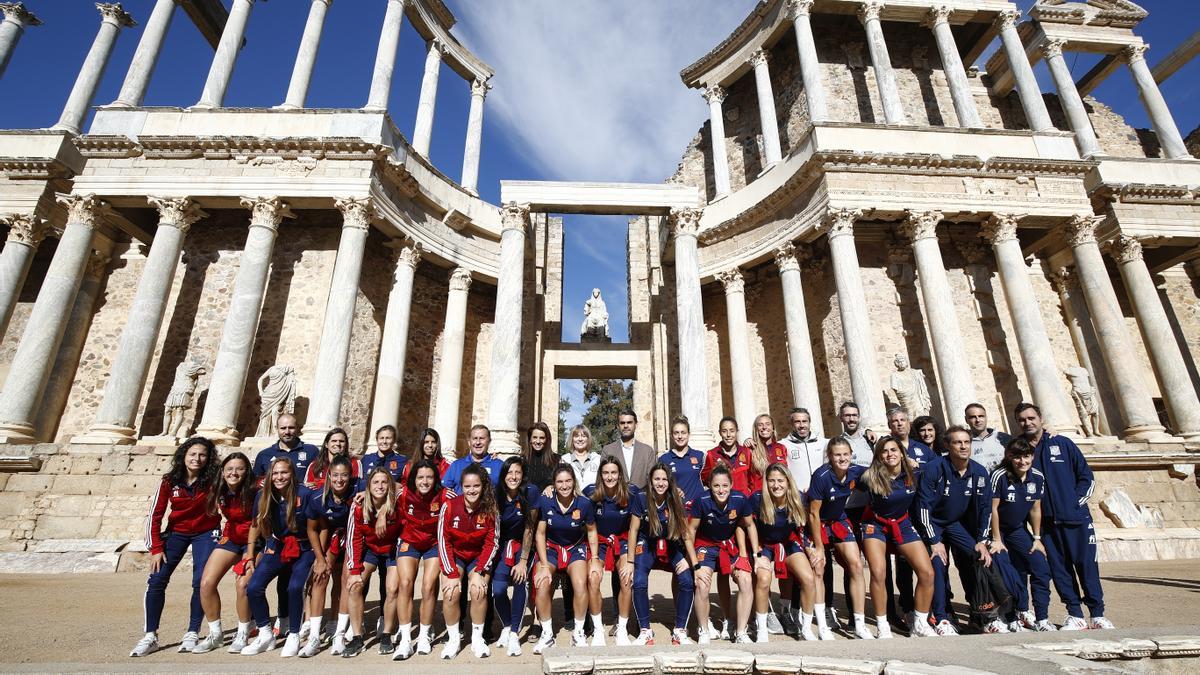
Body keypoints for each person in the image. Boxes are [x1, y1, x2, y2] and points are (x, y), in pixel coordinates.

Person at [1015, 402, 1112, 630]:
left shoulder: (1063, 443)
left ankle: (1097, 614)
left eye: (1031, 418)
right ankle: (1075, 614)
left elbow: (1085, 477)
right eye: (1022, 420)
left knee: (1087, 566)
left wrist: (1074, 503)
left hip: (1076, 518)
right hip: (1046, 522)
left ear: (1040, 418)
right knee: (1060, 570)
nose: (1027, 423)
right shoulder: (1020, 451)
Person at [130, 437, 222, 657]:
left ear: (208, 458)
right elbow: (155, 514)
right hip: (176, 532)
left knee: (201, 581)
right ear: (184, 456)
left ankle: (192, 632)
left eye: (202, 455)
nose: (197, 459)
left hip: (206, 532)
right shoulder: (169, 481)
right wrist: (156, 548)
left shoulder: (214, 479)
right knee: (157, 579)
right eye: (192, 454)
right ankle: (150, 635)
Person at [916, 425, 997, 636]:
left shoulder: (979, 472)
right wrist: (934, 540)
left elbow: (986, 508)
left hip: (955, 524)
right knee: (938, 563)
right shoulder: (934, 468)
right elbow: (923, 507)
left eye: (966, 442)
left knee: (979, 556)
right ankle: (942, 618)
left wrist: (981, 540)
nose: (963, 446)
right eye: (957, 442)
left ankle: (982, 614)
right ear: (947, 446)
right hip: (933, 524)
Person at [859, 436, 938, 638]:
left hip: (902, 524)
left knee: (927, 573)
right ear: (878, 456)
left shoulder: (915, 473)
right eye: (884, 451)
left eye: (894, 450)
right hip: (875, 525)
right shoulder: (870, 476)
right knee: (878, 572)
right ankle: (882, 623)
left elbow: (939, 465)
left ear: (902, 453)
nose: (890, 454)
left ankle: (919, 623)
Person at [241, 457, 316, 656]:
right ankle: (266, 634)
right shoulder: (263, 496)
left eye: (284, 472)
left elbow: (317, 527)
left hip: (304, 548)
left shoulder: (305, 494)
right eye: (275, 473)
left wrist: (320, 556)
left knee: (295, 587)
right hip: (277, 546)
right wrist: (250, 555)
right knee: (254, 586)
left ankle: (294, 634)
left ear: (292, 474)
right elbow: (256, 525)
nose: (279, 477)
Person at [989, 438, 1056, 632]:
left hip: (1018, 529)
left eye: (1026, 456)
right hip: (998, 530)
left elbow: (1035, 508)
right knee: (1008, 573)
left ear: (1032, 457)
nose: (1022, 461)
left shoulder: (1037, 477)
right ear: (1009, 457)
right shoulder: (999, 475)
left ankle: (1042, 618)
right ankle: (1016, 613)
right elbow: (992, 510)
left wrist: (1036, 539)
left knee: (1040, 566)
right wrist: (996, 539)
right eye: (1017, 457)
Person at [532, 464, 599, 654]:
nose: (564, 485)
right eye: (560, 482)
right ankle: (547, 634)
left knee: (580, 583)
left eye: (568, 481)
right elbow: (540, 534)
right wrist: (544, 565)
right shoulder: (546, 501)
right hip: (551, 548)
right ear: (553, 484)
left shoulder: (584, 503)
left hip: (574, 548)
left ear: (574, 482)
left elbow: (592, 532)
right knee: (542, 583)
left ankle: (578, 632)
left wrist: (594, 558)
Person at [193, 451, 255, 654]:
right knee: (206, 583)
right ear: (223, 471)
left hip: (255, 540)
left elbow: (259, 522)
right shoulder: (218, 489)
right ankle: (215, 633)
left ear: (247, 471)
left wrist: (250, 552)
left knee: (242, 584)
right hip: (232, 537)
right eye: (229, 469)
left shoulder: (255, 491)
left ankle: (244, 631)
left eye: (239, 469)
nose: (234, 473)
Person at [805, 437, 867, 640]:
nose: (842, 458)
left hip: (838, 520)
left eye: (845, 454)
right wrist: (820, 547)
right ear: (830, 457)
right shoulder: (821, 476)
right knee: (819, 567)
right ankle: (822, 624)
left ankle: (859, 623)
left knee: (856, 565)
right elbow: (813, 513)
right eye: (837, 455)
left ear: (851, 455)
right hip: (817, 522)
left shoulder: (856, 471)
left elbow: (881, 471)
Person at [437, 464, 500, 659]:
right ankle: (454, 639)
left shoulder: (491, 508)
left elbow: (493, 542)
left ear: (483, 486)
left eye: (476, 486)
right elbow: (443, 539)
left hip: (477, 556)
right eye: (467, 486)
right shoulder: (449, 506)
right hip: (455, 555)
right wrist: (451, 574)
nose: (472, 490)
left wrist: (480, 571)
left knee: (478, 590)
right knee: (451, 591)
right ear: (461, 487)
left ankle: (478, 638)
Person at [629, 462, 695, 646]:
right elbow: (633, 530)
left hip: (671, 542)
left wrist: (692, 562)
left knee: (687, 580)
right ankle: (645, 631)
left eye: (664, 479)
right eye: (657, 478)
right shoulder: (641, 497)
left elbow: (686, 533)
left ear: (670, 481)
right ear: (650, 480)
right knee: (639, 580)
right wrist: (629, 561)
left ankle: (680, 630)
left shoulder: (676, 498)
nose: (660, 483)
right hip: (647, 541)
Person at [751, 463, 818, 642]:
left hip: (788, 542)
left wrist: (810, 546)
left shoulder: (798, 498)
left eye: (780, 480)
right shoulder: (757, 499)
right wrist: (755, 553)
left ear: (788, 482)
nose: (776, 485)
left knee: (808, 578)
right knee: (764, 580)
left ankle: (804, 626)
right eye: (771, 481)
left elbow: (805, 525)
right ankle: (762, 628)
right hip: (764, 544)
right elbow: (747, 526)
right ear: (766, 483)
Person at [690, 464, 756, 644]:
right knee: (702, 583)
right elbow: (691, 532)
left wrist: (755, 556)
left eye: (725, 485)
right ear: (709, 485)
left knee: (745, 579)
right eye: (716, 486)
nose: (721, 490)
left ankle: (741, 631)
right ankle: (703, 629)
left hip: (729, 545)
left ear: (731, 484)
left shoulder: (739, 499)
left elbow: (749, 525)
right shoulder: (701, 501)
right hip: (706, 545)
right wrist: (695, 564)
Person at [344, 466, 404, 658]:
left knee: (392, 588)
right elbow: (353, 538)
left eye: (384, 482)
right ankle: (357, 637)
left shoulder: (398, 501)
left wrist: (385, 514)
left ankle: (386, 633)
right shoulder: (359, 505)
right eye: (375, 482)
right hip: (370, 549)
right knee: (354, 585)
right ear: (368, 485)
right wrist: (354, 570)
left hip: (392, 549)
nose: (380, 486)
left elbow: (410, 489)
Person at [299, 455, 355, 657]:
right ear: (329, 475)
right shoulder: (318, 499)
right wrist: (320, 559)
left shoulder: (358, 489)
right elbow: (312, 529)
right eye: (336, 475)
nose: (340, 480)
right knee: (319, 577)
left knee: (345, 580)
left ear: (351, 476)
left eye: (345, 475)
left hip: (353, 538)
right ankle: (314, 635)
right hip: (329, 536)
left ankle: (338, 632)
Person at [394, 458, 450, 658]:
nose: (424, 481)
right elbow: (378, 492)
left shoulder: (444, 495)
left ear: (435, 479)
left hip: (433, 544)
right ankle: (406, 640)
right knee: (405, 583)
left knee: (428, 586)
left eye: (429, 477)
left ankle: (425, 635)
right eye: (420, 477)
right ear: (413, 479)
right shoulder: (403, 494)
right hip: (410, 541)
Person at [584, 456, 637, 646]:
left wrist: (677, 490)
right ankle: (598, 630)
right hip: (598, 541)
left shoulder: (631, 493)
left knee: (626, 578)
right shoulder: (590, 492)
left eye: (614, 472)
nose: (610, 477)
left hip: (621, 540)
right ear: (600, 475)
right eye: (605, 473)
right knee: (593, 578)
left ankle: (622, 628)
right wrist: (549, 488)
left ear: (620, 474)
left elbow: (654, 493)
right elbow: (568, 494)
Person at [492, 457, 541, 656]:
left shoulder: (531, 492)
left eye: (517, 473)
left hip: (523, 545)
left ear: (523, 475)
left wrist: (522, 561)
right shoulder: (497, 494)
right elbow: (493, 527)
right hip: (503, 545)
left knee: (521, 581)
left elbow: (530, 528)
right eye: (509, 472)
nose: (513, 477)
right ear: (504, 475)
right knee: (499, 589)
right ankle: (507, 624)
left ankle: (514, 634)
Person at [601, 409, 656, 489]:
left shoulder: (647, 451)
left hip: (642, 499)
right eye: (622, 423)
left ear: (636, 425)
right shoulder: (608, 450)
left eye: (629, 422)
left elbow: (652, 478)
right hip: (616, 498)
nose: (626, 426)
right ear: (618, 426)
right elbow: (603, 476)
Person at [659, 416, 706, 506]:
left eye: (683, 433)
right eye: (676, 433)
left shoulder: (700, 456)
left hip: (698, 510)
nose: (680, 436)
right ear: (671, 435)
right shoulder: (664, 459)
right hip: (675, 508)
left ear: (689, 434)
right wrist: (672, 490)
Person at [252, 413, 317, 479]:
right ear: (276, 428)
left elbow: (321, 477)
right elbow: (255, 481)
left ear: (297, 428)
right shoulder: (264, 454)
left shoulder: (311, 451)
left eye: (291, 428)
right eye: (283, 428)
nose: (287, 432)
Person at [444, 424, 504, 493]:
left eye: (482, 438)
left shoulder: (499, 465)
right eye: (475, 438)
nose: (478, 442)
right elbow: (445, 490)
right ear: (469, 442)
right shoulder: (456, 465)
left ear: (489, 441)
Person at [780, 407, 826, 495]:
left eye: (804, 421)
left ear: (809, 422)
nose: (801, 425)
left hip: (822, 495)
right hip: (798, 496)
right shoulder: (783, 445)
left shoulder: (824, 443)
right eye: (797, 422)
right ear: (791, 424)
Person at [702, 416, 753, 495]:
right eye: (724, 431)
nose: (728, 435)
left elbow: (752, 480)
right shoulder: (711, 455)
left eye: (732, 431)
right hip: (722, 503)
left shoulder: (747, 453)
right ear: (720, 433)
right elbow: (705, 480)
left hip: (744, 502)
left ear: (737, 432)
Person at [966, 403, 1013, 473]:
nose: (978, 420)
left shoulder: (1005, 439)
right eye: (973, 417)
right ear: (966, 420)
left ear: (986, 417)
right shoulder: (964, 443)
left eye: (981, 416)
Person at [360, 424, 407, 489]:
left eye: (388, 438)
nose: (384, 441)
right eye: (381, 438)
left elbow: (405, 485)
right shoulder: (366, 459)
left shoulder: (402, 461)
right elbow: (358, 481)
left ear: (394, 441)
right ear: (377, 440)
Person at [563, 424, 603, 490]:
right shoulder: (564, 460)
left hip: (594, 499)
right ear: (572, 439)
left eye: (584, 436)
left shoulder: (598, 459)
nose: (580, 439)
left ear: (588, 439)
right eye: (576, 436)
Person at [524, 421, 559, 492]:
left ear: (547, 440)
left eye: (542, 438)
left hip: (548, 501)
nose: (538, 441)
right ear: (530, 439)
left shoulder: (557, 460)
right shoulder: (522, 460)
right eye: (534, 437)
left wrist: (552, 486)